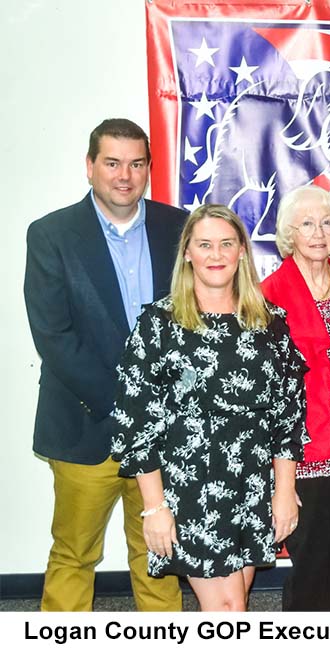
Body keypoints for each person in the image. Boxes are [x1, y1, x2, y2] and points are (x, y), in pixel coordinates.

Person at [111, 204, 307, 611]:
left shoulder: (270, 323)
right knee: (228, 608)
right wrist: (154, 508)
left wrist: (284, 491)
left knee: (235, 603)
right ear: (187, 252)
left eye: (226, 244)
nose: (216, 255)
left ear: (241, 252)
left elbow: (287, 415)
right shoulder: (158, 324)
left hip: (252, 484)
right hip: (190, 488)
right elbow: (137, 423)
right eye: (204, 245)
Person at [23, 119, 185, 611]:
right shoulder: (51, 234)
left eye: (136, 164)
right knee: (74, 555)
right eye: (112, 163)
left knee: (160, 555)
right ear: (90, 166)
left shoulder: (180, 228)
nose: (124, 176)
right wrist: (127, 408)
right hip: (86, 427)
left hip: (164, 431)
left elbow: (194, 322)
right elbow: (54, 337)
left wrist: (161, 410)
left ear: (148, 169)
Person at [261, 186, 330, 611]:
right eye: (306, 224)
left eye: (327, 223)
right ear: (289, 233)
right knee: (312, 564)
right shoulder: (268, 295)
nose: (318, 232)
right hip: (302, 453)